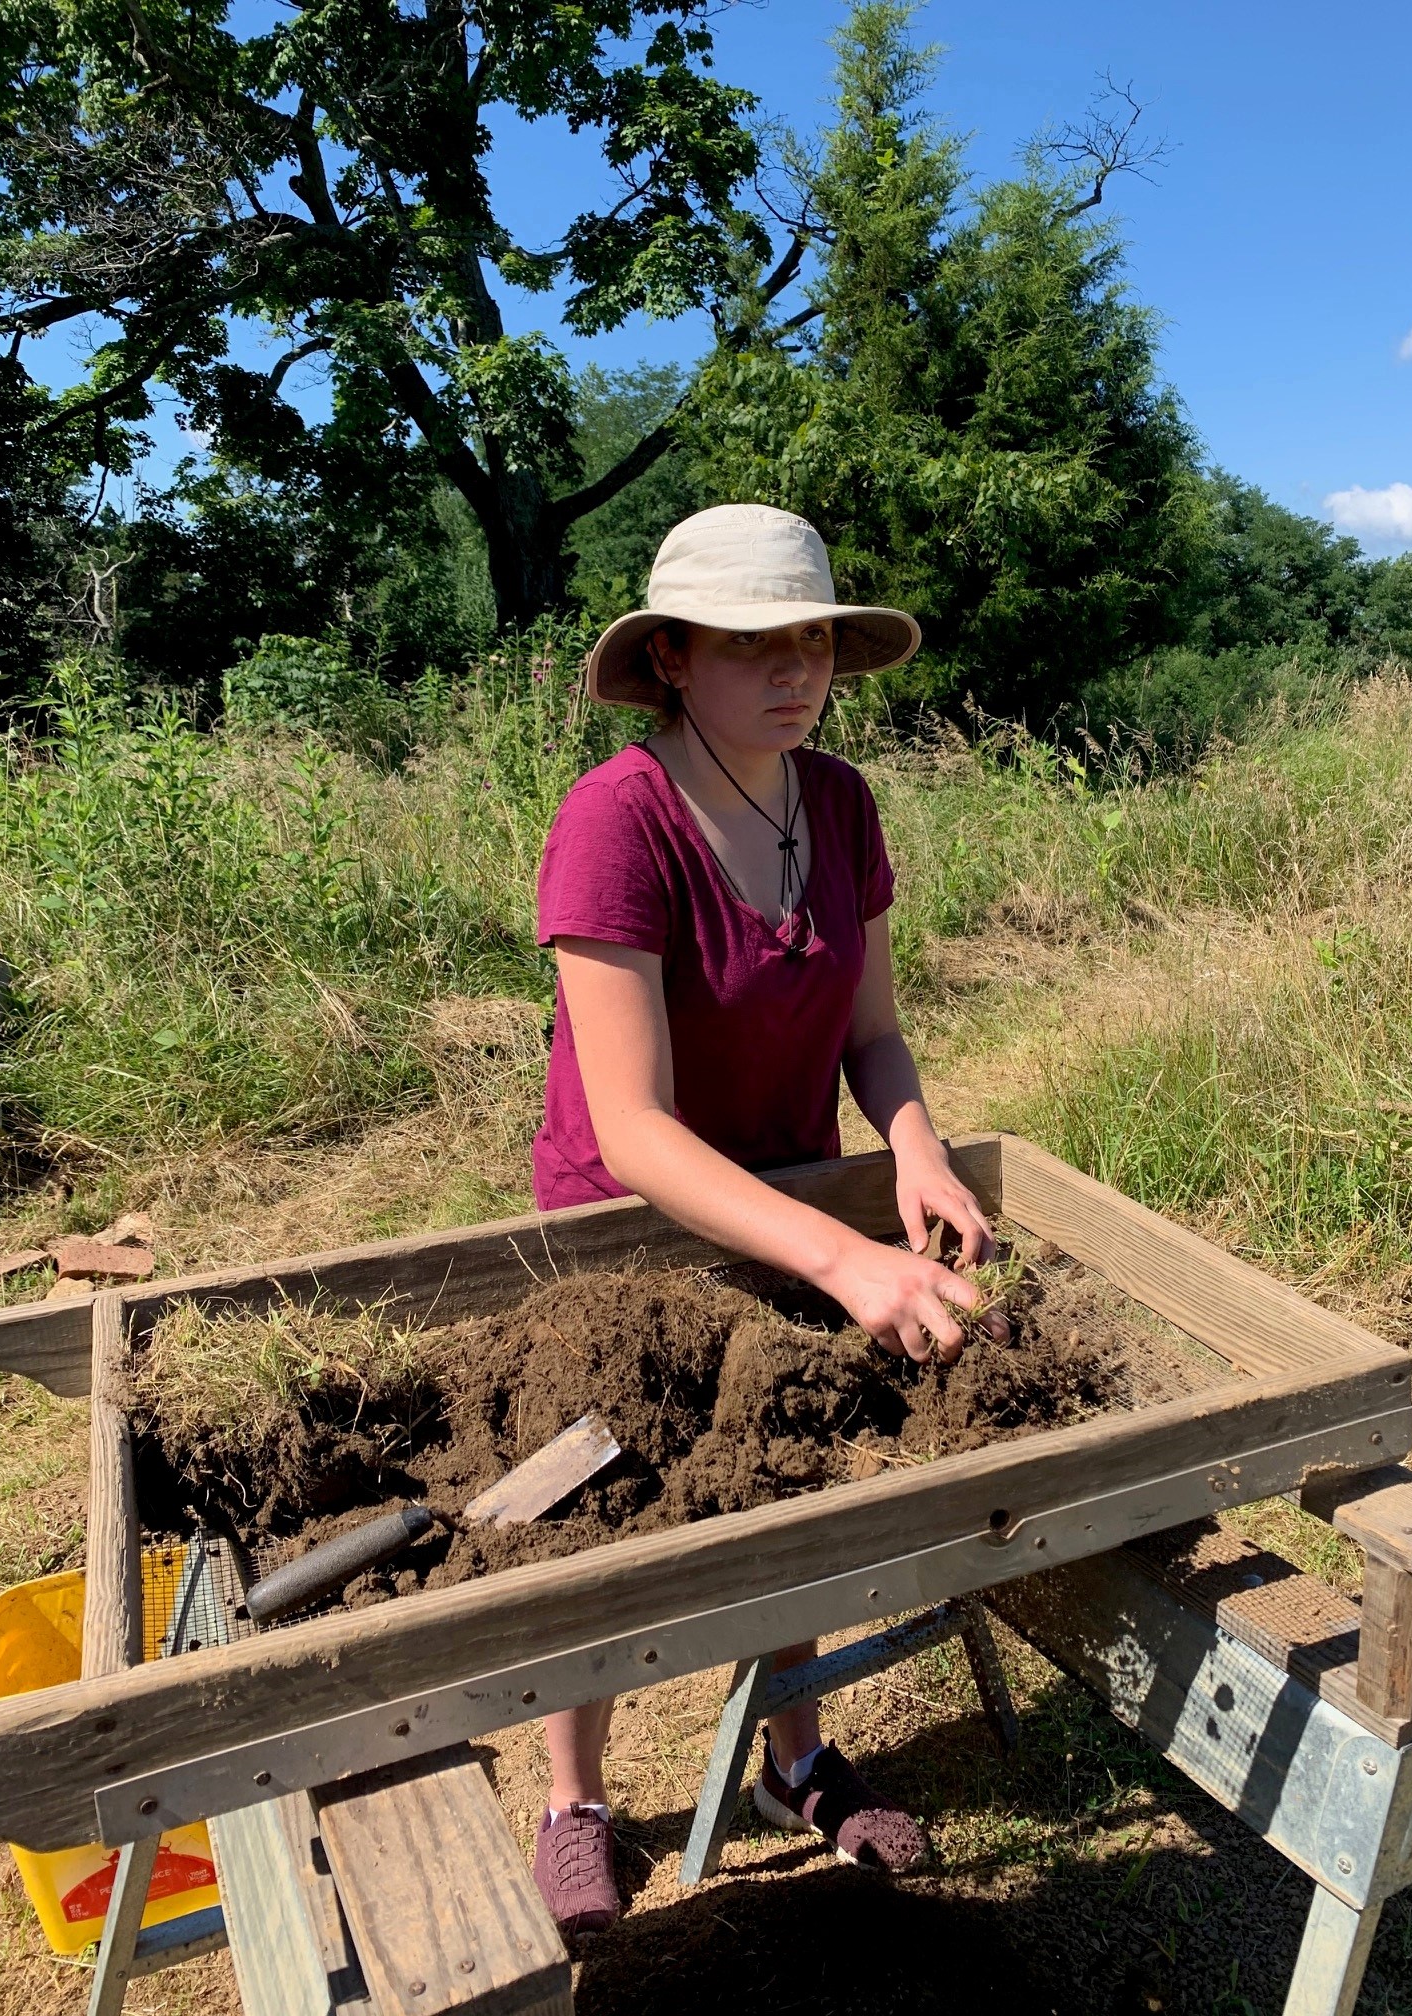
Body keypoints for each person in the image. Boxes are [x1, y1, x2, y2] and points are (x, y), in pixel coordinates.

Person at [530, 503, 1001, 1933]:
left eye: (811, 641)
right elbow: (636, 1130)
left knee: (784, 1482)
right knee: (605, 1517)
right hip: (631, 1226)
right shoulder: (619, 821)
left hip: (803, 1205)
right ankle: (578, 1801)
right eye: (750, 645)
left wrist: (909, 1147)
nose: (792, 671)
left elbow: (875, 1038)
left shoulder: (839, 803)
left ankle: (794, 1763)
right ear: (671, 659)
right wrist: (846, 1255)